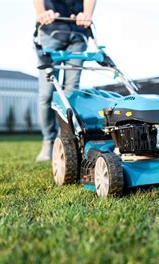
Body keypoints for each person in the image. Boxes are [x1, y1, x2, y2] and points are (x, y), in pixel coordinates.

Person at [33, 0, 97, 162]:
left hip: (78, 32)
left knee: (71, 91)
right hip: (50, 30)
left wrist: (87, 14)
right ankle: (48, 140)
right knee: (47, 94)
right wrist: (41, 12)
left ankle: (68, 141)